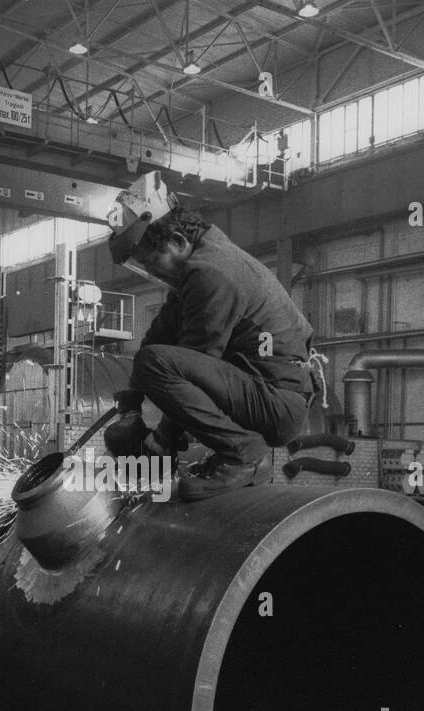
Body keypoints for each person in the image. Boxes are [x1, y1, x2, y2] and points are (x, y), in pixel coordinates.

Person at [105, 171, 318, 500]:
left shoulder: (212, 274)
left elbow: (193, 362)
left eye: (151, 262)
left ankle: (242, 455)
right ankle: (240, 455)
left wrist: (160, 442)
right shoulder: (196, 268)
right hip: (260, 390)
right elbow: (158, 337)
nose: (151, 272)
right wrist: (130, 405)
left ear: (177, 240)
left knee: (155, 364)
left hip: (277, 401)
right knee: (153, 357)